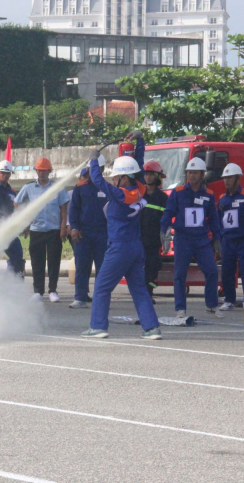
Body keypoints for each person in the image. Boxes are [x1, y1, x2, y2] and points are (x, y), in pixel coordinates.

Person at [82, 132, 162, 340]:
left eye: (116, 176)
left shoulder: (120, 194)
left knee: (101, 287)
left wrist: (93, 160)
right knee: (139, 289)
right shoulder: (141, 188)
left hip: (119, 247)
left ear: (124, 178)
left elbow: (98, 180)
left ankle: (98, 326)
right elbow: (139, 163)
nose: (114, 179)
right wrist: (140, 141)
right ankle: (152, 328)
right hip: (136, 247)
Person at [160, 157, 223, 318]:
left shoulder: (208, 195)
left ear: (202, 175)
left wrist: (217, 239)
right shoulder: (178, 192)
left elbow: (214, 218)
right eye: (189, 172)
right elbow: (169, 212)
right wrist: (163, 229)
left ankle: (211, 305)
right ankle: (180, 309)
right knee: (180, 274)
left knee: (211, 271)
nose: (191, 176)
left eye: (195, 173)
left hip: (201, 240)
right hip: (183, 239)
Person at [14, 157, 69, 302]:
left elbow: (64, 208)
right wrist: (25, 221)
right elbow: (17, 203)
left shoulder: (58, 187)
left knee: (54, 261)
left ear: (49, 171)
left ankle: (53, 291)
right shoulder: (29, 187)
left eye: (45, 171)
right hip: (36, 230)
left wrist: (63, 227)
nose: (42, 173)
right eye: (39, 170)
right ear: (36, 171)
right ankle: (38, 291)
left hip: (54, 230)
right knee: (36, 261)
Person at [217, 163, 244, 311]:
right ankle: (229, 300)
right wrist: (220, 238)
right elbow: (219, 220)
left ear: (238, 178)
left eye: (229, 177)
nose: (226, 181)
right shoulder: (222, 198)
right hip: (228, 241)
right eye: (225, 178)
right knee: (227, 272)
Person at [67, 160, 107, 309]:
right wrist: (75, 228)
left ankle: (100, 299)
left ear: (102, 169)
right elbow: (74, 209)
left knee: (102, 268)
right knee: (82, 266)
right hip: (83, 233)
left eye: (97, 168)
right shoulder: (80, 187)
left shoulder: (107, 187)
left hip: (103, 233)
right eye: (91, 168)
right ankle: (80, 297)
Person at [0, 160, 25, 279]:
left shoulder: (12, 191)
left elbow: (15, 209)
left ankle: (11, 283)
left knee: (17, 256)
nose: (5, 175)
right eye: (2, 172)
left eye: (7, 173)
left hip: (9, 230)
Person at [141, 160, 169, 303]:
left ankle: (148, 294)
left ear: (157, 176)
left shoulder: (163, 198)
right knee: (138, 267)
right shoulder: (139, 195)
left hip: (154, 240)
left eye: (151, 174)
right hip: (139, 238)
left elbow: (167, 219)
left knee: (152, 268)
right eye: (146, 174)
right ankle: (140, 294)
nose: (148, 177)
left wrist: (165, 238)